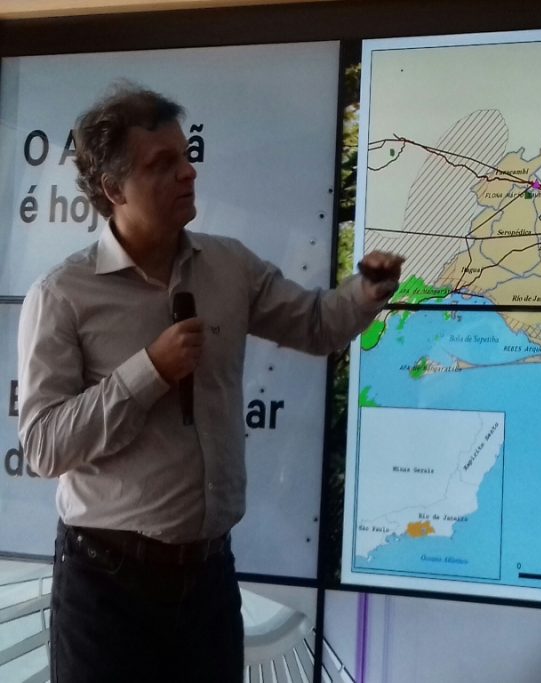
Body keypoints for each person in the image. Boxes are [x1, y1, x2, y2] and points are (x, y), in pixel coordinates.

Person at [16, 83, 403, 682]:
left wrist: (367, 292)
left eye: (186, 154)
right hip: (106, 587)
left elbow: (315, 326)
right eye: (162, 163)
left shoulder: (229, 265)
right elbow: (43, 446)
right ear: (114, 190)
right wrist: (149, 371)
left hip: (207, 582)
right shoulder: (62, 295)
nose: (188, 171)